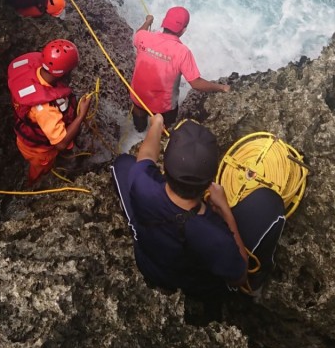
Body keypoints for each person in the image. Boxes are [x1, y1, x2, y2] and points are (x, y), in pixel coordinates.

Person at [111, 116, 286, 314]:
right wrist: (225, 210)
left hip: (147, 260)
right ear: (210, 181)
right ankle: (257, 284)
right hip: (189, 283)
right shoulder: (214, 235)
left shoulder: (142, 182)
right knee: (268, 203)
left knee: (123, 163)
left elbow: (147, 154)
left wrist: (156, 125)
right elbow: (239, 277)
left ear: (165, 168)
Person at [130, 6, 229, 132]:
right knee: (162, 129)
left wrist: (148, 21)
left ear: (164, 22)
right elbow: (196, 84)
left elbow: (139, 33)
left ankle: (139, 131)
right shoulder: (183, 52)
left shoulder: (143, 37)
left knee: (139, 118)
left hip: (138, 98)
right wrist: (221, 87)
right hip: (163, 108)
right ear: (183, 30)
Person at [8, 39, 92, 184]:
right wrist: (81, 115)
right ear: (63, 73)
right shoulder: (45, 109)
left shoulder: (37, 71)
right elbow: (61, 144)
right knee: (40, 169)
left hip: (26, 140)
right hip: (39, 152)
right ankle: (32, 183)